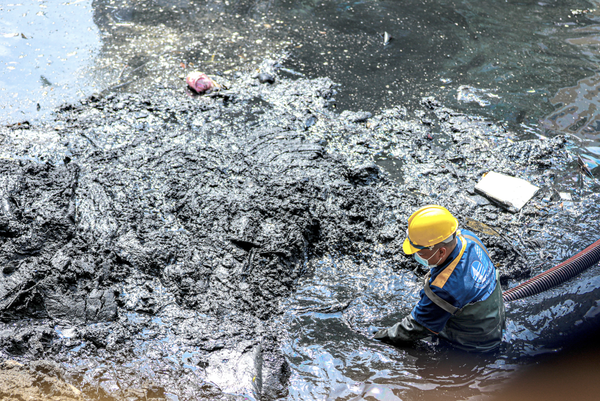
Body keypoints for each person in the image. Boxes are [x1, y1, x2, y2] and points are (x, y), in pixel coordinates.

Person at [374, 205, 505, 352]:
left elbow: (415, 327)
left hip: (472, 346)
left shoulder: (445, 288)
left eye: (420, 253)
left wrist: (379, 337)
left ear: (441, 251)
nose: (416, 256)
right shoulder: (468, 238)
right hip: (493, 323)